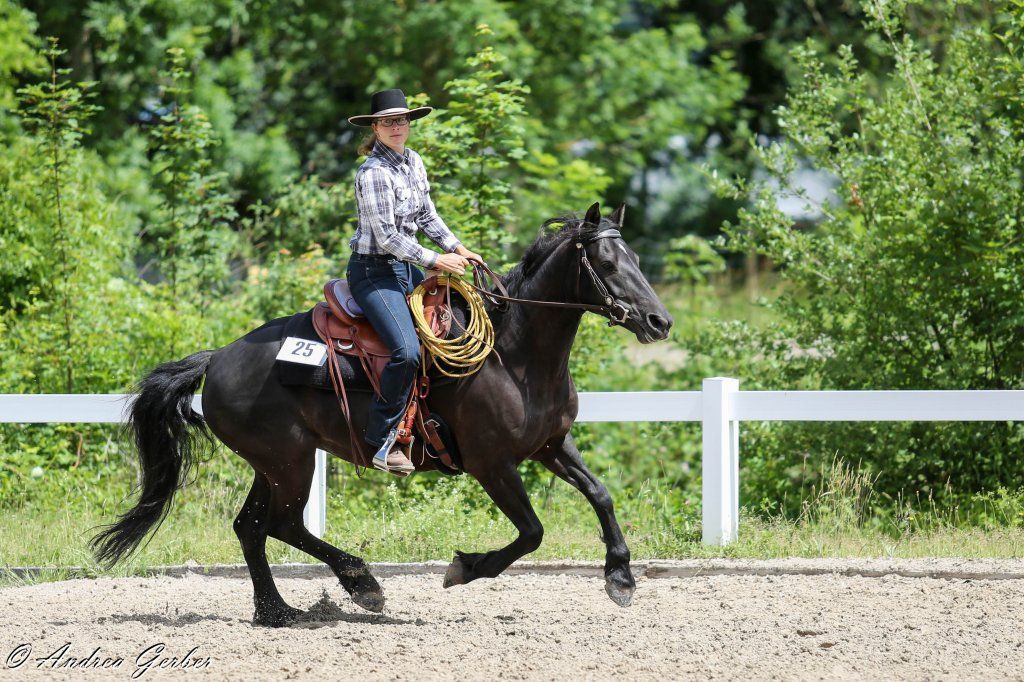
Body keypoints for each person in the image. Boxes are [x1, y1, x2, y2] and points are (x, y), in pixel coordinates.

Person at [346, 88, 483, 476]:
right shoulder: (373, 173)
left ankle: (433, 427)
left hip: (407, 270)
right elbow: (388, 237)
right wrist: (438, 259)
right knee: (406, 351)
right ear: (375, 128)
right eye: (388, 121)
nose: (397, 127)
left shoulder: (413, 161)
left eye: (402, 120)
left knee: (449, 337)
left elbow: (426, 215)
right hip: (374, 272)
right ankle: (381, 438)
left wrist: (458, 246)